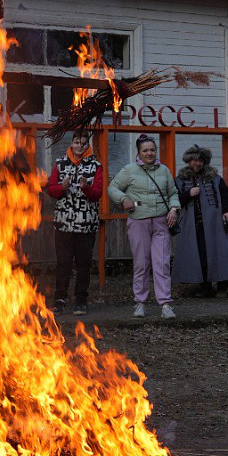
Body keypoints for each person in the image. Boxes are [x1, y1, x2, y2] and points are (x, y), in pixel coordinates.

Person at [108, 133, 181, 320]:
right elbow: (112, 188)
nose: (149, 153)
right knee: (141, 263)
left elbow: (173, 192)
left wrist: (174, 209)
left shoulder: (164, 170)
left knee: (162, 264)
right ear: (138, 153)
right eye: (145, 150)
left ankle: (165, 304)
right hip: (138, 220)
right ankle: (139, 303)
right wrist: (124, 199)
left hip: (161, 222)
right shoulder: (129, 170)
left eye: (152, 150)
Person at [46, 130, 103, 316]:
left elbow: (98, 193)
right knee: (63, 263)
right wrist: (61, 187)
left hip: (86, 224)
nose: (80, 146)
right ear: (72, 143)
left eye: (84, 143)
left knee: (83, 264)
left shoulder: (95, 165)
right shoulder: (60, 164)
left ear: (88, 145)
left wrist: (86, 187)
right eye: (77, 142)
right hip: (64, 223)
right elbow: (51, 190)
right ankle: (60, 299)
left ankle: (81, 300)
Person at [173, 144, 228, 297]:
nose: (198, 163)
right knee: (200, 255)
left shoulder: (215, 179)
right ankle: (205, 288)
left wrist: (227, 211)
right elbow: (174, 200)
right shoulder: (179, 180)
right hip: (192, 224)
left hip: (215, 223)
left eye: (201, 160)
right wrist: (188, 193)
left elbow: (226, 195)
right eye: (194, 160)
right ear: (188, 161)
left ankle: (223, 288)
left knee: (221, 253)